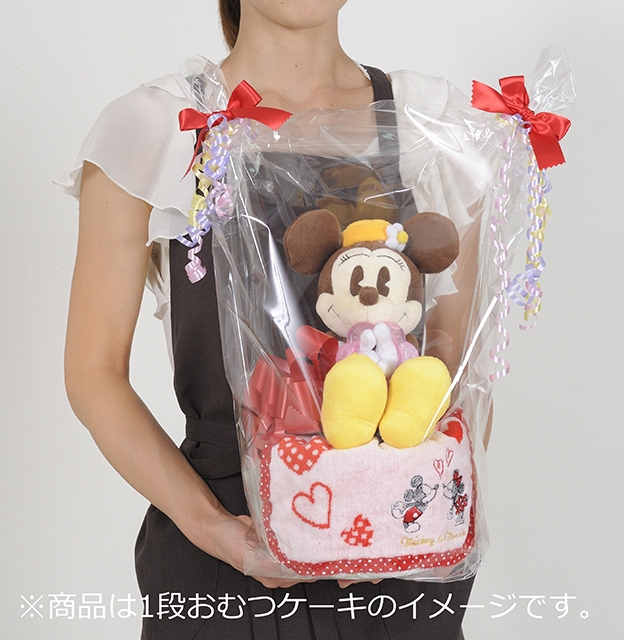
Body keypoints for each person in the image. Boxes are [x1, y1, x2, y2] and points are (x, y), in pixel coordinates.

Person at [62, 1, 481, 637]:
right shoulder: (159, 126)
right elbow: (94, 376)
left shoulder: (432, 123)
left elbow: (459, 368)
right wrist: (213, 529)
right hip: (228, 552)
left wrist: (411, 509)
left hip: (396, 555)